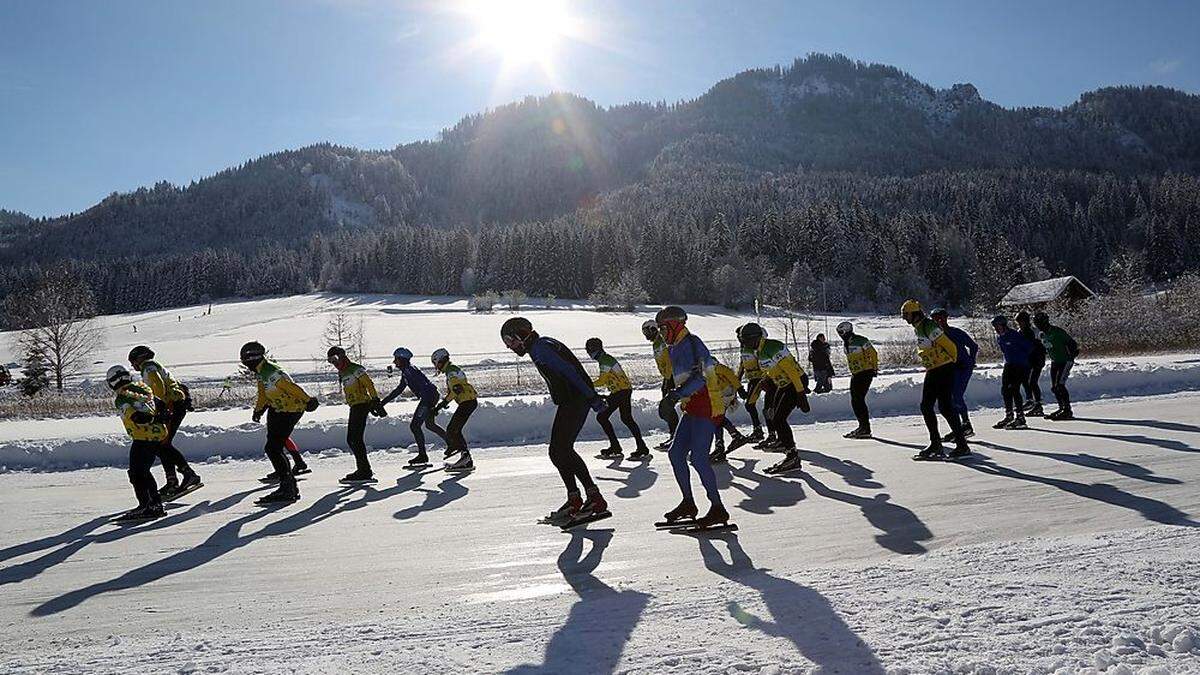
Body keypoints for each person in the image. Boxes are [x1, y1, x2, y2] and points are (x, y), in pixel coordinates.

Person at [501, 317, 608, 525]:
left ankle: (591, 498)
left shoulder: (542, 348)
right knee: (560, 450)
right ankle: (578, 498)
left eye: (510, 342)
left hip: (576, 400)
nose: (510, 347)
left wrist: (591, 397)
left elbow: (571, 372)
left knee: (560, 450)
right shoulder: (541, 346)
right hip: (572, 400)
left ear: (520, 336)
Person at [655, 306, 730, 527]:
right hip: (692, 407)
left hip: (707, 405)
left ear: (675, 324)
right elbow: (677, 376)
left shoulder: (693, 343)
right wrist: (670, 394)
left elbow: (702, 377)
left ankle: (718, 508)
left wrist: (676, 396)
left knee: (698, 459)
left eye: (663, 328)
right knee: (676, 454)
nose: (661, 333)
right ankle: (688, 503)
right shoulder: (674, 347)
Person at [241, 341, 317, 504]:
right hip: (278, 408)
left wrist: (308, 400)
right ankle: (288, 484)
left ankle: (287, 487)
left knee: (273, 448)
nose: (246, 366)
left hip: (291, 409)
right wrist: (259, 409)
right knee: (273, 446)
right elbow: (263, 392)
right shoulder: (262, 371)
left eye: (246, 362)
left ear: (252, 359)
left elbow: (291, 387)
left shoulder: (271, 371)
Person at [127, 345, 202, 498]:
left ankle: (188, 475)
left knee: (162, 444)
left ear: (140, 358)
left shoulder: (148, 367)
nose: (132, 365)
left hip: (170, 406)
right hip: (174, 405)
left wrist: (158, 405)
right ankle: (173, 480)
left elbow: (158, 386)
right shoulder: (153, 366)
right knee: (162, 445)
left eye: (133, 361)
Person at [900, 300, 970, 460]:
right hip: (934, 369)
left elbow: (949, 345)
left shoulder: (929, 326)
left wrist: (952, 361)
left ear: (915, 313)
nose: (904, 318)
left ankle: (959, 445)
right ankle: (938, 444)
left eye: (906, 315)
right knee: (929, 406)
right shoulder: (919, 327)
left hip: (943, 369)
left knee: (942, 407)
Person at [738, 322, 810, 474]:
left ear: (755, 338)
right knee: (773, 415)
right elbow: (769, 369)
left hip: (795, 382)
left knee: (778, 419)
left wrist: (800, 393)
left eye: (746, 341)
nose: (744, 345)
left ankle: (792, 456)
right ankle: (788, 450)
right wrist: (766, 380)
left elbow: (791, 370)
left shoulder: (772, 347)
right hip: (783, 384)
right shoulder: (759, 349)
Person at [106, 365, 168, 521]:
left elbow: (137, 417)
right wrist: (160, 418)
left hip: (142, 437)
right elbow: (161, 404)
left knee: (137, 473)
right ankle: (155, 504)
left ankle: (146, 506)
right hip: (156, 435)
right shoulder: (143, 388)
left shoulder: (122, 398)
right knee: (144, 471)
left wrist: (152, 419)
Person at [585, 337, 651, 460]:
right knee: (625, 418)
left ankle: (617, 446)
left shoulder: (605, 360)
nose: (589, 354)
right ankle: (639, 446)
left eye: (589, 351)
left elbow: (602, 380)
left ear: (595, 349)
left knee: (603, 417)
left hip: (621, 391)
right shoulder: (605, 359)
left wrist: (587, 385)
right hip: (622, 390)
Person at [380, 347, 446, 469]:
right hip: (430, 397)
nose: (394, 362)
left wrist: (428, 405)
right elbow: (399, 390)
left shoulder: (410, 370)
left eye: (396, 359)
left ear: (402, 360)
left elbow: (425, 386)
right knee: (430, 425)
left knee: (415, 426)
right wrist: (382, 403)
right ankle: (453, 444)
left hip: (428, 398)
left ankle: (423, 455)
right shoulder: (406, 371)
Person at [326, 346, 385, 482]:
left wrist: (375, 400)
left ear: (341, 356)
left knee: (354, 439)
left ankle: (364, 471)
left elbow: (369, 384)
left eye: (334, 359)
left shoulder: (355, 368)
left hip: (361, 405)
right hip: (355, 406)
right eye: (330, 361)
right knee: (353, 439)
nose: (334, 363)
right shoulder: (343, 372)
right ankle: (364, 469)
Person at [929, 309, 979, 438]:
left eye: (942, 318)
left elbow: (973, 346)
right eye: (936, 319)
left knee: (956, 396)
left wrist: (970, 361)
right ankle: (959, 427)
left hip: (963, 368)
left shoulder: (956, 332)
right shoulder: (935, 337)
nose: (939, 321)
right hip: (950, 369)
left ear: (946, 319)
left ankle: (966, 425)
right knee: (950, 398)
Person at [431, 348, 478, 471]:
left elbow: (456, 390)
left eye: (436, 363)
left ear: (441, 361)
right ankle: (465, 457)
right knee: (454, 429)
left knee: (452, 429)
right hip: (468, 401)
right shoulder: (451, 369)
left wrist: (442, 404)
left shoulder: (451, 371)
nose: (436, 366)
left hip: (467, 402)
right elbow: (456, 389)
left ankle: (465, 457)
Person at [836, 321, 879, 439]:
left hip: (865, 372)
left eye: (841, 332)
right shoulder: (846, 343)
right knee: (855, 400)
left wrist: (874, 368)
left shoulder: (861, 340)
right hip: (856, 373)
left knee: (858, 399)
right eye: (838, 333)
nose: (840, 334)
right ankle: (863, 426)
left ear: (847, 330)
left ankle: (865, 428)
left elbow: (873, 353)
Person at [1034, 312, 1080, 420]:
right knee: (1054, 387)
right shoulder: (1042, 335)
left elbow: (1072, 344)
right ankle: (1061, 408)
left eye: (1039, 323)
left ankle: (1067, 410)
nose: (1038, 326)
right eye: (1037, 324)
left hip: (1065, 361)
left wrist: (1071, 355)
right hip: (1055, 361)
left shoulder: (1057, 331)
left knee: (1060, 385)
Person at [642, 319, 679, 449]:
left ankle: (676, 436)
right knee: (665, 409)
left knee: (667, 407)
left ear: (653, 329)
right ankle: (674, 435)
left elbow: (670, 358)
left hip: (672, 376)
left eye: (646, 331)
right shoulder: (656, 343)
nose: (645, 335)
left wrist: (670, 377)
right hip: (667, 377)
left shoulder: (663, 340)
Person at [991, 315, 1033, 430]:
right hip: (1009, 364)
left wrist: (1021, 357)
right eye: (995, 327)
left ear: (1004, 325)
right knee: (1005, 389)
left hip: (1020, 365)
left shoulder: (1014, 335)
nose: (996, 329)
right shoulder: (1000, 338)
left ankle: (1020, 418)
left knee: (1014, 389)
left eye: (998, 326)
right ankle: (1009, 415)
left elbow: (1029, 347)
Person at [708, 359, 752, 464]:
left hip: (725, 392)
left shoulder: (708, 363)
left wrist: (740, 388)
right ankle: (734, 437)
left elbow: (728, 373)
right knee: (717, 417)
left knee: (716, 417)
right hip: (719, 393)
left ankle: (723, 444)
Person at [734, 327, 768, 442]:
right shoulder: (743, 348)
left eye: (740, 336)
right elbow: (742, 365)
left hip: (758, 378)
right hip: (751, 379)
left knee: (750, 404)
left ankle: (760, 430)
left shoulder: (754, 346)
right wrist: (737, 382)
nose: (739, 338)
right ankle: (758, 430)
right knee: (750, 405)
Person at [1016, 310, 1046, 416]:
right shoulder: (1021, 331)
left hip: (1036, 359)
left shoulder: (1031, 331)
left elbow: (1032, 346)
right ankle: (1030, 400)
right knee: (1025, 380)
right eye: (1018, 322)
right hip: (1029, 360)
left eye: (1021, 322)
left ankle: (1038, 405)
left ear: (1026, 321)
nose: (1020, 324)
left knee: (1032, 382)